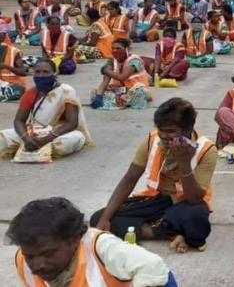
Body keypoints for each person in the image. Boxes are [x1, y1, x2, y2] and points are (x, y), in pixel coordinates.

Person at [90, 98, 216, 253]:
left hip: (186, 202)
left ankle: (162, 227)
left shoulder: (206, 149)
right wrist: (105, 218)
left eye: (170, 131)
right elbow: (130, 178)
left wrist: (184, 163)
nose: (163, 135)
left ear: (187, 129)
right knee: (99, 218)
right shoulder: (152, 140)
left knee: (196, 219)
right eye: (161, 130)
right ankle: (169, 234)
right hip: (157, 198)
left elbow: (194, 199)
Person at [8, 197, 178, 287]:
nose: (37, 265)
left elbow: (153, 267)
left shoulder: (101, 247)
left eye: (49, 253)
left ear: (74, 239)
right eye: (30, 257)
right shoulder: (23, 259)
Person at [1, 59, 91, 159]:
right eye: (37, 72)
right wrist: (26, 138)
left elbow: (72, 122)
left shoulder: (66, 91)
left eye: (45, 72)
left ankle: (34, 146)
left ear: (55, 74)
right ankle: (34, 145)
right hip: (35, 131)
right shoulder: (31, 93)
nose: (41, 75)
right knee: (2, 137)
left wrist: (47, 138)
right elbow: (19, 120)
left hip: (60, 133)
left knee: (65, 142)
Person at [90, 38, 152, 110]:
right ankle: (120, 100)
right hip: (122, 90)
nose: (115, 51)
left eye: (118, 48)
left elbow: (122, 77)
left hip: (135, 90)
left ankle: (119, 100)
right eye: (113, 48)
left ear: (126, 49)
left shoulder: (134, 60)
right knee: (95, 92)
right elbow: (105, 81)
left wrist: (105, 70)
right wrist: (99, 97)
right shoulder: (112, 60)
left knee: (140, 93)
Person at [0, 24, 26, 101]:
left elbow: (23, 72)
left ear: (4, 36)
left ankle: (5, 94)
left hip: (12, 84)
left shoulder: (13, 51)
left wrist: (6, 66)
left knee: (18, 89)